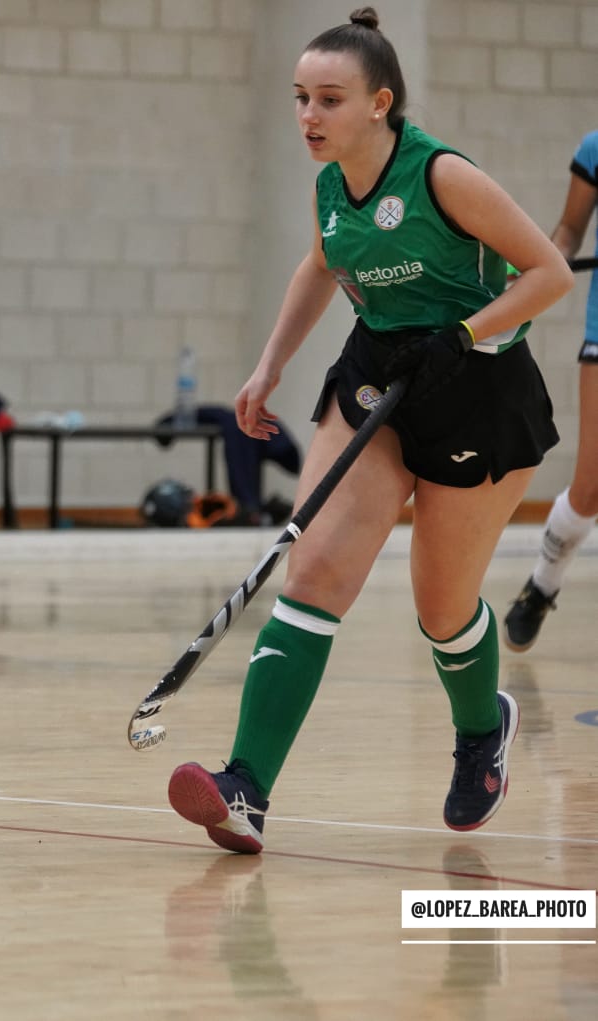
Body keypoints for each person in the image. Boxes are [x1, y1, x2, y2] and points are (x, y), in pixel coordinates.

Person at [165, 7, 572, 854]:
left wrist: (460, 335)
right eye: (300, 99)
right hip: (376, 377)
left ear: (380, 102)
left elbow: (549, 273)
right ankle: (247, 787)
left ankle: (477, 732)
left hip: (478, 387)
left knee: (442, 607)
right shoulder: (327, 186)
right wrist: (269, 365)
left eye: (329, 100)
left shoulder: (443, 177)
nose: (309, 117)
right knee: (311, 571)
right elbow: (321, 262)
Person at [502, 130, 598, 651]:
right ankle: (543, 584)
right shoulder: (595, 149)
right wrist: (538, 269)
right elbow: (568, 232)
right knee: (590, 490)